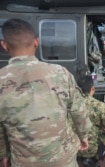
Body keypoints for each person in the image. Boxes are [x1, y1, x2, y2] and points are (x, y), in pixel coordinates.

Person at [0, 18, 92, 167]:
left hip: (24, 161)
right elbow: (78, 111)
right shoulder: (60, 73)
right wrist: (84, 136)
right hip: (63, 159)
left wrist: (3, 154)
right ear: (37, 42)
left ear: (4, 45)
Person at [77, 75, 105, 167]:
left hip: (72, 148)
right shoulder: (99, 106)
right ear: (92, 88)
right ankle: (92, 159)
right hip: (91, 148)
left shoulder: (67, 106)